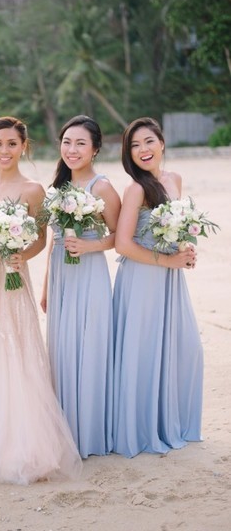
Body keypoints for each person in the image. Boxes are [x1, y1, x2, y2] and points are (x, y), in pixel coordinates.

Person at [0, 116, 82, 485]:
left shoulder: (33, 189)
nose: (4, 150)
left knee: (15, 348)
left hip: (11, 277)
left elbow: (40, 238)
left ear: (24, 147)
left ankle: (22, 445)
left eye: (12, 144)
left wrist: (22, 255)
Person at [112, 116, 202, 458]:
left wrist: (187, 250)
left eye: (148, 141)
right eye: (134, 145)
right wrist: (167, 261)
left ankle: (170, 421)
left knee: (186, 348)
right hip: (142, 279)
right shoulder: (135, 189)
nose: (142, 150)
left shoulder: (175, 179)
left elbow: (181, 228)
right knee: (144, 353)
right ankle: (143, 428)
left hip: (170, 280)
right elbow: (122, 244)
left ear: (161, 143)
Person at [41, 115, 121, 458]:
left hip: (89, 275)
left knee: (89, 348)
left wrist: (90, 246)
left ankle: (90, 433)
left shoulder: (101, 187)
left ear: (95, 149)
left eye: (80, 144)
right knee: (62, 350)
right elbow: (52, 241)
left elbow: (120, 237)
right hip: (61, 275)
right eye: (67, 142)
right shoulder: (57, 187)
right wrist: (46, 286)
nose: (71, 150)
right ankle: (65, 432)